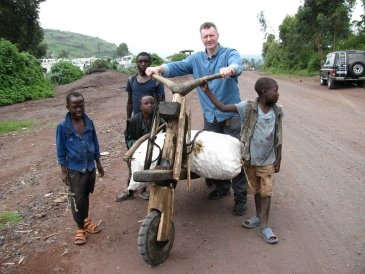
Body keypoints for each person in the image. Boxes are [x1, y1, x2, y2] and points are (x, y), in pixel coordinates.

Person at [145, 22, 248, 216]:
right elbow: (177, 67)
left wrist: (230, 70)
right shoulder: (196, 59)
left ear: (217, 35)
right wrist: (159, 68)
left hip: (231, 117)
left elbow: (237, 64)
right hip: (211, 117)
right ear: (201, 39)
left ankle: (241, 198)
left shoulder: (228, 53)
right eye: (205, 37)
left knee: (236, 157)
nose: (209, 39)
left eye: (211, 35)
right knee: (213, 155)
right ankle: (222, 187)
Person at [200, 77, 283, 244]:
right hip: (250, 159)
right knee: (257, 190)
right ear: (264, 92)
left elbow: (278, 135)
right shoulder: (248, 107)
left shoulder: (278, 110)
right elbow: (222, 107)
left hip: (268, 160)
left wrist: (279, 156)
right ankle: (259, 216)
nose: (278, 94)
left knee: (266, 192)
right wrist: (207, 91)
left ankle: (265, 226)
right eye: (275, 90)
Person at [56, 91, 105, 245]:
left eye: (81, 105)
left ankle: (85, 221)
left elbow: (95, 143)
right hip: (75, 170)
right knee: (77, 199)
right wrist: (64, 171)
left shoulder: (89, 122)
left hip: (90, 167)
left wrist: (98, 163)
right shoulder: (63, 127)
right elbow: (61, 150)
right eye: (74, 106)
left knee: (85, 196)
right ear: (67, 107)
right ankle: (79, 228)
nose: (78, 109)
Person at [115, 95, 165, 202]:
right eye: (146, 103)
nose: (150, 105)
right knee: (133, 171)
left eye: (152, 103)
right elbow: (128, 138)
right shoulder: (133, 121)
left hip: (153, 151)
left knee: (148, 169)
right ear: (140, 106)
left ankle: (143, 190)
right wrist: (138, 147)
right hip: (136, 150)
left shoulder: (159, 121)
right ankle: (130, 191)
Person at [126, 52, 165, 119]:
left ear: (150, 63)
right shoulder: (131, 80)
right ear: (136, 63)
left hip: (152, 119)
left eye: (146, 61)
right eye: (140, 61)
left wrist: (160, 121)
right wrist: (128, 120)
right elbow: (130, 102)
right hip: (136, 119)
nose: (143, 64)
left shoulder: (157, 80)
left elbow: (162, 102)